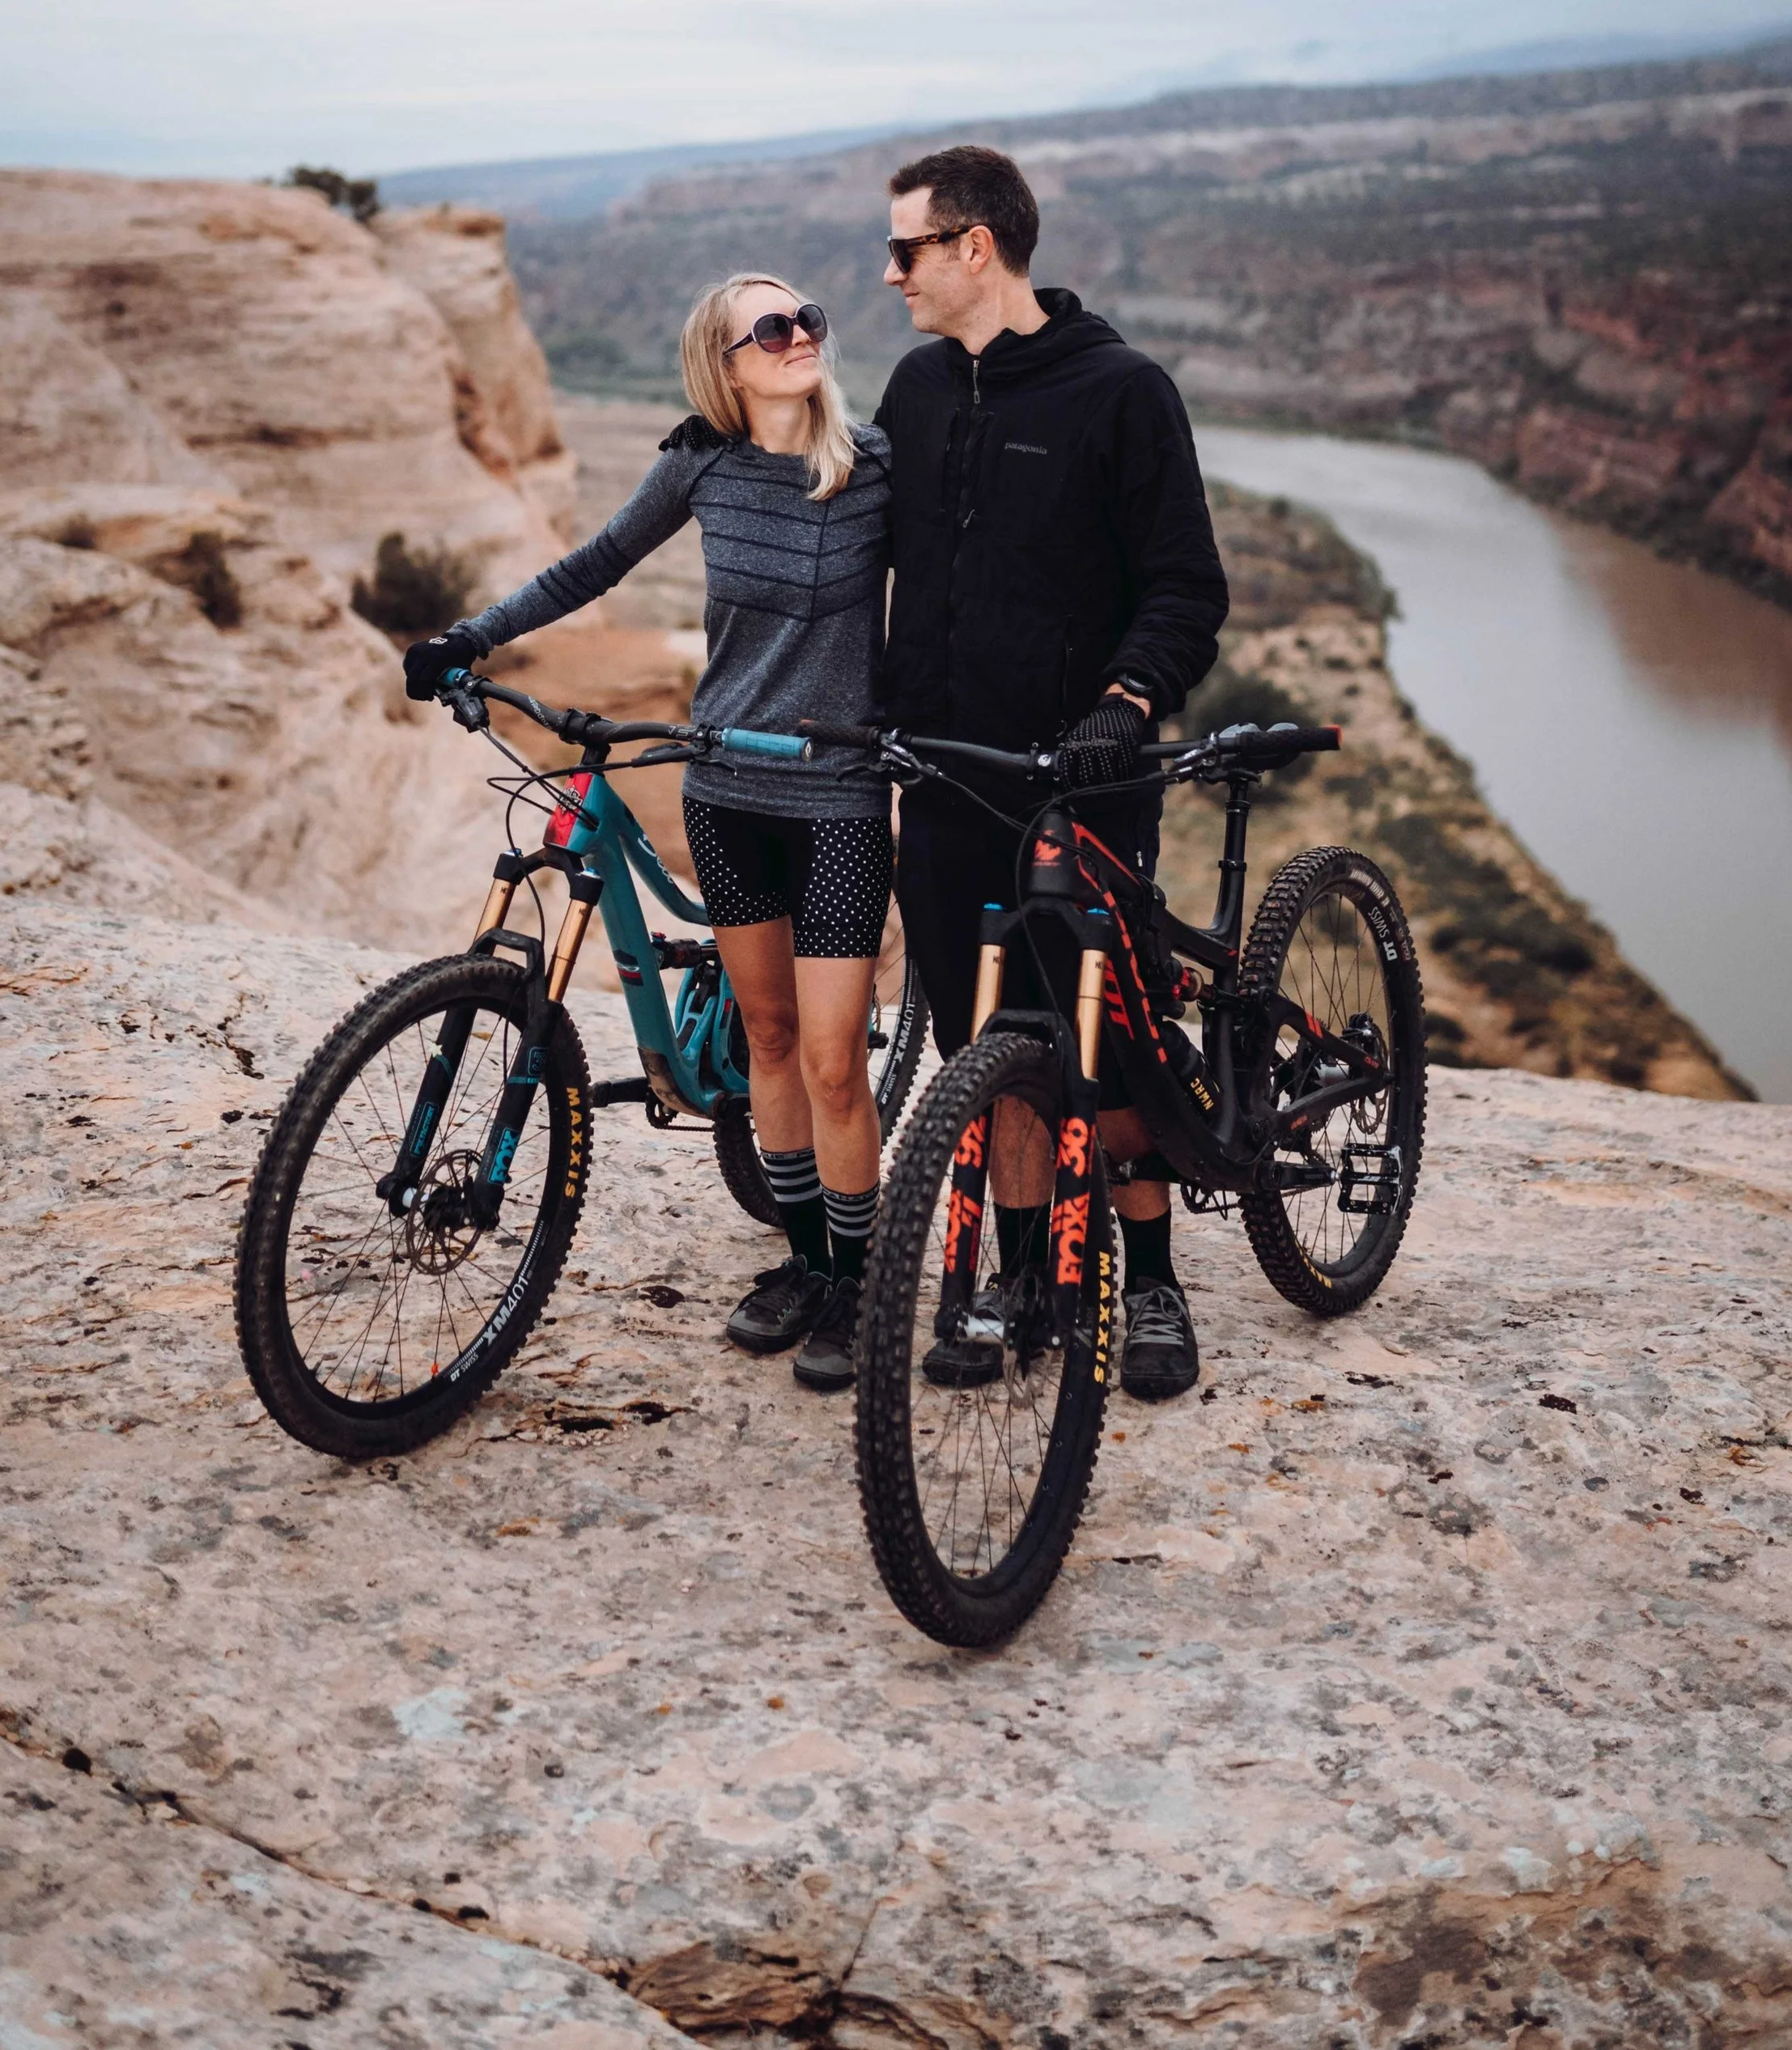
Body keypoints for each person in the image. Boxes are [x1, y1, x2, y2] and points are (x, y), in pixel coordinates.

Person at [404, 276, 890, 1394]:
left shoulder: (876, 465)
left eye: (808, 316)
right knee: (767, 1040)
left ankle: (863, 1281)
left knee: (831, 1059)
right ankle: (809, 1261)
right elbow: (595, 564)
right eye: (772, 328)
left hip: (842, 795)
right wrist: (468, 636)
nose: (801, 336)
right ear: (725, 364)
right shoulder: (702, 464)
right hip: (726, 787)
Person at [875, 145, 1229, 1400]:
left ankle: (1154, 1273)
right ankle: (1026, 1272)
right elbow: (852, 523)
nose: (891, 272)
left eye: (907, 249)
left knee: (1106, 1042)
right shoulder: (917, 390)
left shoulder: (1124, 392)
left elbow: (1188, 588)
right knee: (988, 1048)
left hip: (1080, 787)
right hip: (948, 780)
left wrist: (1126, 703)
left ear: (978, 247)